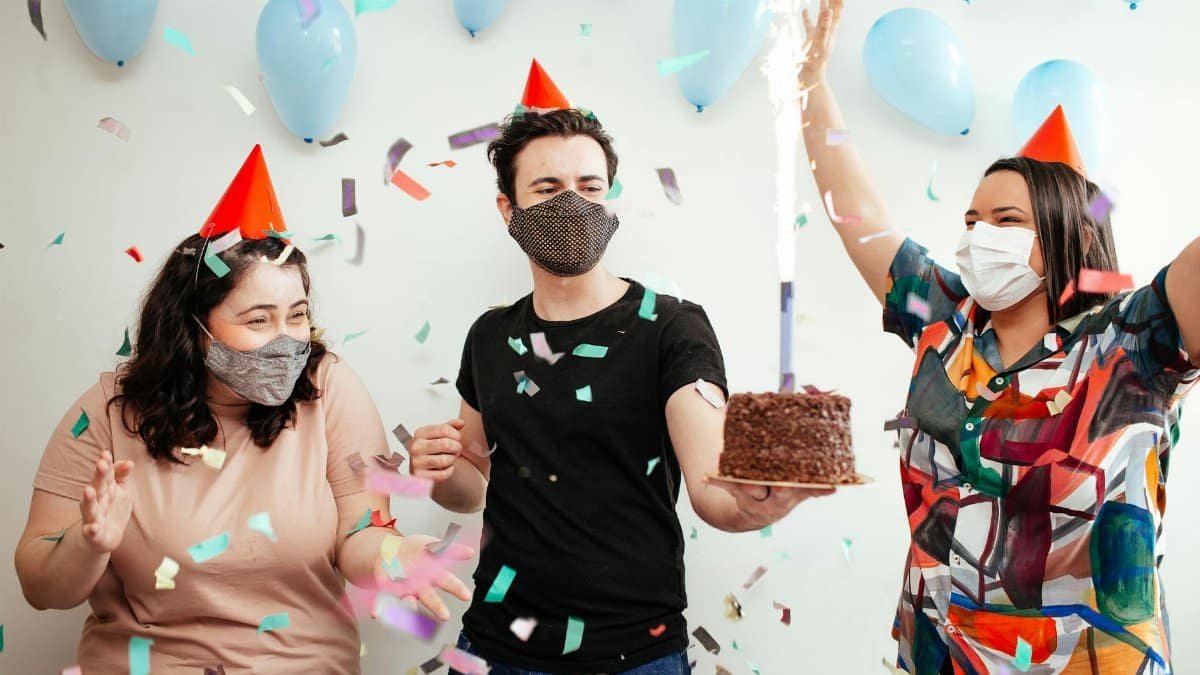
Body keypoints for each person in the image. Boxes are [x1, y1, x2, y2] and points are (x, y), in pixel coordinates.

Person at [798, 2, 1200, 673]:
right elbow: (854, 208)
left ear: (1068, 233)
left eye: (1005, 218)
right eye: (971, 218)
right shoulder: (942, 316)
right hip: (939, 655)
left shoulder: (1135, 338)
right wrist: (810, 82)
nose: (979, 234)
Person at [407, 60, 835, 675]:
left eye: (590, 185)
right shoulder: (490, 335)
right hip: (495, 648)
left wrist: (757, 503)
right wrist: (440, 470)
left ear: (610, 200)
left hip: (633, 652)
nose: (573, 204)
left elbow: (711, 485)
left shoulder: (671, 327)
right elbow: (471, 483)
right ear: (507, 208)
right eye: (548, 189)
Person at [14, 146, 472, 673]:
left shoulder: (331, 390)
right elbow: (41, 588)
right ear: (194, 327)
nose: (286, 341)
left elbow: (360, 534)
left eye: (297, 316)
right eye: (258, 320)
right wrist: (88, 544)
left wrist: (394, 558)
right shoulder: (107, 411)